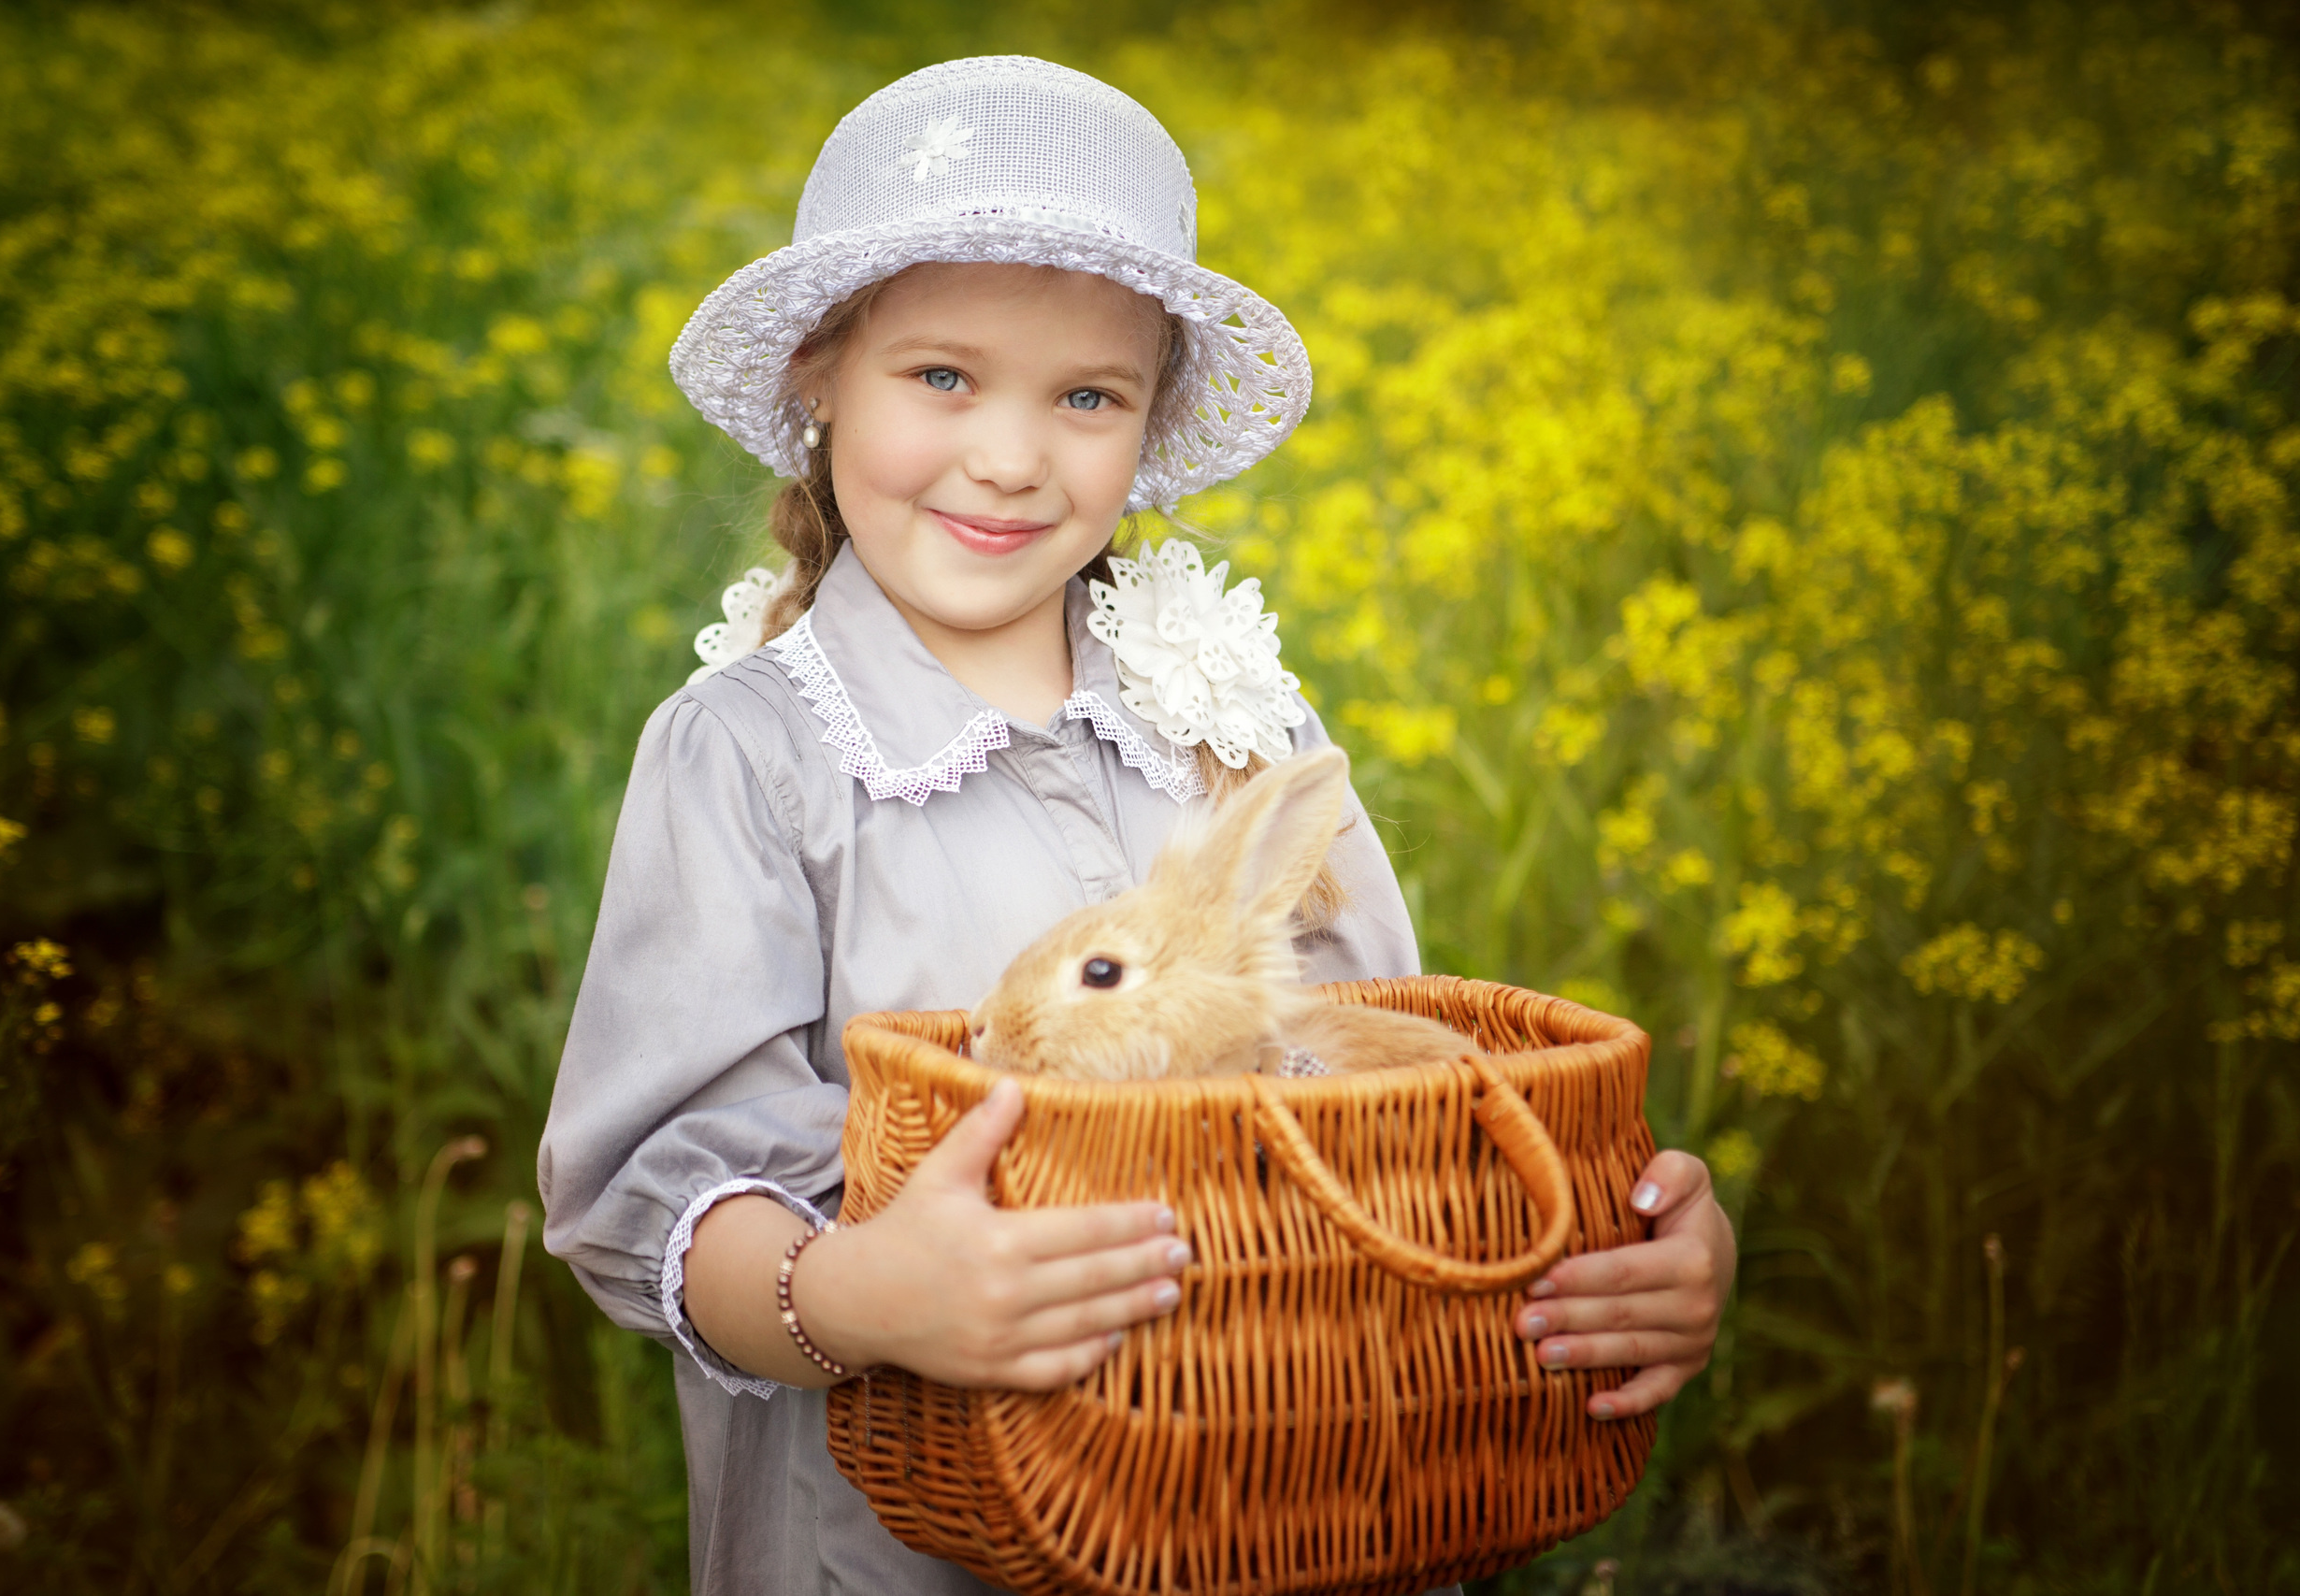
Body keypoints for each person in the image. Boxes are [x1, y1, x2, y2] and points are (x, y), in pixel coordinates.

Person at [537, 55, 1736, 1596]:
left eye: (1087, 396)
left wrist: (1604, 1242)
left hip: (1300, 1504)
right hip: (919, 1546)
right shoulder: (757, 754)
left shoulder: (1239, 717)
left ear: (1150, 418)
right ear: (822, 377)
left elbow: (1382, 1082)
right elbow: (646, 1190)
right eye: (943, 378)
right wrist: (858, 1294)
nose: (1013, 458)